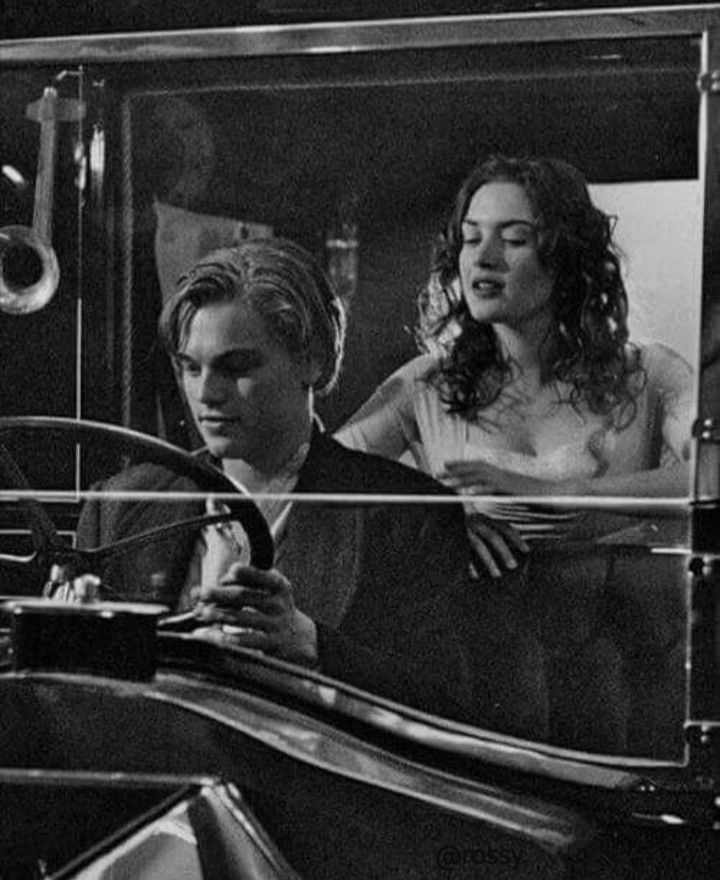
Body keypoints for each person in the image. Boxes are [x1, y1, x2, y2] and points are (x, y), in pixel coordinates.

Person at [74, 237, 548, 738]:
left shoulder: (406, 516)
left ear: (314, 362)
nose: (206, 393)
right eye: (191, 368)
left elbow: (447, 709)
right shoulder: (121, 506)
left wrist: (312, 644)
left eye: (237, 368)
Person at [337, 155, 694, 754]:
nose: (484, 257)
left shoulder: (651, 375)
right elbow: (323, 477)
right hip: (479, 686)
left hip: (630, 679)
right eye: (471, 237)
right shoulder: (425, 384)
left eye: (515, 238)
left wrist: (574, 494)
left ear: (566, 255)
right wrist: (437, 518)